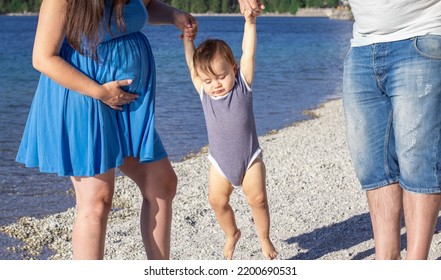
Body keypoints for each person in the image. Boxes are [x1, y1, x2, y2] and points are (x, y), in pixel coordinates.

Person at [16, 0, 197, 260]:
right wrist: (100, 92)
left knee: (161, 183)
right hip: (84, 95)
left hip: (125, 105)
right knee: (97, 200)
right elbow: (42, 58)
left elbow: (145, 6)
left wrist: (174, 15)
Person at [343, 0, 441, 259]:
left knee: (418, 163)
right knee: (373, 165)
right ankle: (386, 261)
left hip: (422, 34)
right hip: (362, 45)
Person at [182, 9, 277, 260]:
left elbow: (249, 52)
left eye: (222, 76)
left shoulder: (242, 85)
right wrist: (187, 40)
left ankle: (264, 238)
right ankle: (232, 233)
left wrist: (250, 22)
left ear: (233, 69)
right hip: (220, 163)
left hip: (250, 158)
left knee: (258, 198)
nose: (216, 84)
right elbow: (193, 68)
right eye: (209, 80)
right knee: (216, 202)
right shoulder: (204, 93)